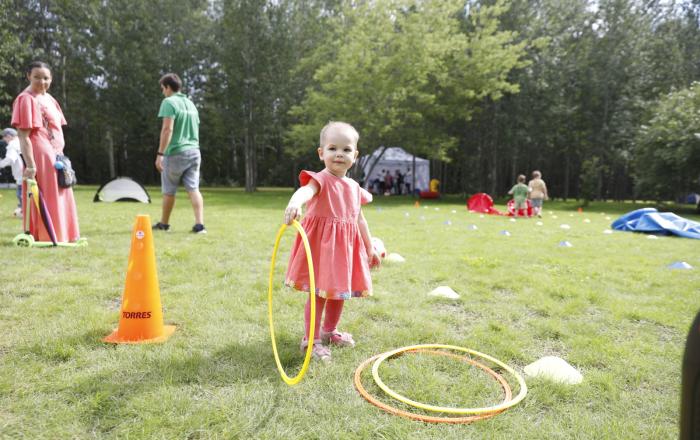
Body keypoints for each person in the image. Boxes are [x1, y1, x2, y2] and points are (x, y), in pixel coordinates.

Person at [283, 121, 381, 362]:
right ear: (321, 153)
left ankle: (329, 331)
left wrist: (370, 248)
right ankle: (311, 339)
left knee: (340, 293)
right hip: (322, 248)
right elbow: (305, 192)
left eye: (346, 150)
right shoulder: (320, 180)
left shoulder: (354, 187)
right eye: (333, 148)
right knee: (318, 293)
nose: (339, 154)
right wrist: (295, 203)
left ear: (355, 156)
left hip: (345, 251)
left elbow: (360, 219)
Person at [11, 61, 80, 242]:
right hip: (40, 153)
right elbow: (24, 136)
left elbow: (57, 128)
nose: (42, 82)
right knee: (49, 193)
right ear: (28, 76)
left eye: (46, 78)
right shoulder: (26, 99)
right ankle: (48, 234)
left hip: (57, 152)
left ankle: (64, 233)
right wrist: (31, 165)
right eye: (37, 78)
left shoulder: (50, 99)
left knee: (62, 190)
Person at [153, 73, 206, 234]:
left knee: (169, 190)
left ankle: (164, 224)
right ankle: (199, 225)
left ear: (168, 87)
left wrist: (160, 154)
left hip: (176, 152)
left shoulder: (169, 102)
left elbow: (167, 129)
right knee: (193, 188)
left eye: (163, 88)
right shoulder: (191, 104)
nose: (163, 92)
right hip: (194, 151)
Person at [0, 128, 22, 217]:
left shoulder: (12, 145)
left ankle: (23, 211)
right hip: (23, 172)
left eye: (4, 138)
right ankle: (22, 209)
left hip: (21, 173)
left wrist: (0, 164)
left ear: (9, 136)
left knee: (20, 193)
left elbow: (10, 159)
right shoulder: (20, 142)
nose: (4, 140)